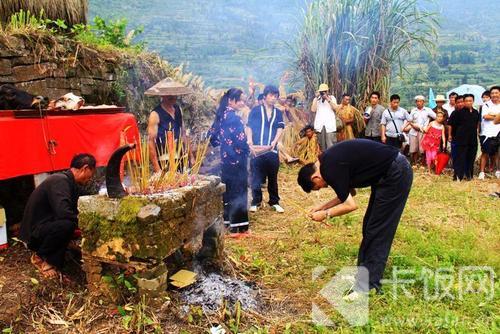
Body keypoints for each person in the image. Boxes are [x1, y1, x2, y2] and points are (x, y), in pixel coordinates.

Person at [297, 139, 412, 296]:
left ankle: (368, 286)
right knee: (369, 227)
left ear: (314, 178)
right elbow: (349, 193)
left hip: (396, 174)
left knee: (378, 231)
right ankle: (363, 277)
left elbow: (351, 205)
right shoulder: (328, 162)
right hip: (388, 173)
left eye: (320, 187)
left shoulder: (329, 169)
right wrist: (321, 207)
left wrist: (325, 215)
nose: (325, 186)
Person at [20, 154, 96, 279]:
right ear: (85, 168)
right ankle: (42, 257)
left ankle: (55, 253)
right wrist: (87, 224)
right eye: (91, 174)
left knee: (70, 224)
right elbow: (63, 212)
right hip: (34, 235)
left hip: (44, 228)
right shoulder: (59, 180)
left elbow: (87, 198)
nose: (90, 178)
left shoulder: (70, 182)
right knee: (67, 224)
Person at [208, 88, 250, 234]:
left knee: (228, 192)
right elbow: (241, 141)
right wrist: (246, 150)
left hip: (226, 161)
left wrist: (225, 147)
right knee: (239, 192)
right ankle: (239, 227)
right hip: (237, 161)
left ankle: (227, 223)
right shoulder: (234, 118)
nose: (242, 103)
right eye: (240, 100)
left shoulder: (221, 115)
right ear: (231, 100)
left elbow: (212, 137)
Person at [247, 85, 285, 213]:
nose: (274, 98)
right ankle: (256, 201)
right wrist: (250, 141)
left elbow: (280, 128)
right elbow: (249, 127)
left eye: (276, 96)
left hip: (272, 149)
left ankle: (274, 201)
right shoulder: (256, 110)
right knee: (256, 176)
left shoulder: (278, 112)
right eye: (271, 95)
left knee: (273, 177)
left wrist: (275, 141)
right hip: (257, 150)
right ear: (264, 97)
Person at [146, 79, 191, 172]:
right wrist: (157, 168)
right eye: (169, 95)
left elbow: (183, 134)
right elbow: (151, 141)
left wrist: (191, 157)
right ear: (162, 95)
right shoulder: (155, 114)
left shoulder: (178, 109)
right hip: (164, 160)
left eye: (174, 94)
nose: (172, 97)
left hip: (181, 157)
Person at [448, 94, 480, 181]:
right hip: (461, 139)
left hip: (472, 139)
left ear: (473, 101)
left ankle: (469, 175)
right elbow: (450, 124)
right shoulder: (458, 112)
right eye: (466, 101)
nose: (468, 102)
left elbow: (477, 124)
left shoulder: (476, 112)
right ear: (464, 102)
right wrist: (450, 135)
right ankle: (458, 176)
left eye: (470, 101)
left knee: (471, 157)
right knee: (460, 158)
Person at [408, 95, 436, 165]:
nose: (419, 103)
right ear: (415, 102)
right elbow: (409, 120)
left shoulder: (428, 110)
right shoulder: (413, 110)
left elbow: (436, 117)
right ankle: (414, 163)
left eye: (420, 101)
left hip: (423, 132)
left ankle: (422, 164)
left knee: (423, 149)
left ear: (423, 102)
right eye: (417, 101)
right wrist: (413, 125)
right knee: (413, 149)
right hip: (414, 131)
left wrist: (429, 125)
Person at [478, 86, 500, 180]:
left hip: (498, 132)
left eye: (496, 93)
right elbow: (486, 116)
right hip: (487, 133)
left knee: (497, 153)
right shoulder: (486, 105)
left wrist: (493, 115)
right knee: (485, 152)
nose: (494, 95)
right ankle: (482, 172)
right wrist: (497, 116)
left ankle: (497, 171)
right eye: (492, 93)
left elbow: (491, 116)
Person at [311, 83, 339, 151]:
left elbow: (336, 108)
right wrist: (316, 98)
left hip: (329, 125)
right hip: (320, 126)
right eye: (321, 92)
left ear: (327, 91)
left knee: (331, 146)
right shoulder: (317, 99)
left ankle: (331, 160)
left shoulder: (332, 98)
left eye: (325, 91)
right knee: (321, 146)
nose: (323, 93)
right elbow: (313, 110)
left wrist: (327, 99)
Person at [448, 95, 465, 164]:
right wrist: (449, 135)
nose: (460, 104)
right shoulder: (454, 113)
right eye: (458, 102)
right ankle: (455, 167)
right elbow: (450, 125)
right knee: (455, 152)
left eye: (462, 102)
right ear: (456, 103)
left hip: (465, 137)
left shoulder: (469, 112)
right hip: (455, 136)